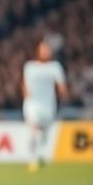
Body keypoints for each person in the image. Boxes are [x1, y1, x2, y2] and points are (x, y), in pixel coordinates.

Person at [21, 40, 67, 172]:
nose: (45, 52)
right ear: (37, 51)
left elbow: (61, 85)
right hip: (32, 103)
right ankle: (33, 159)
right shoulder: (30, 66)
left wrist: (63, 94)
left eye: (47, 49)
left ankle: (40, 154)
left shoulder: (55, 67)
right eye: (42, 49)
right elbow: (24, 82)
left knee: (45, 133)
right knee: (34, 128)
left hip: (48, 105)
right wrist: (25, 92)